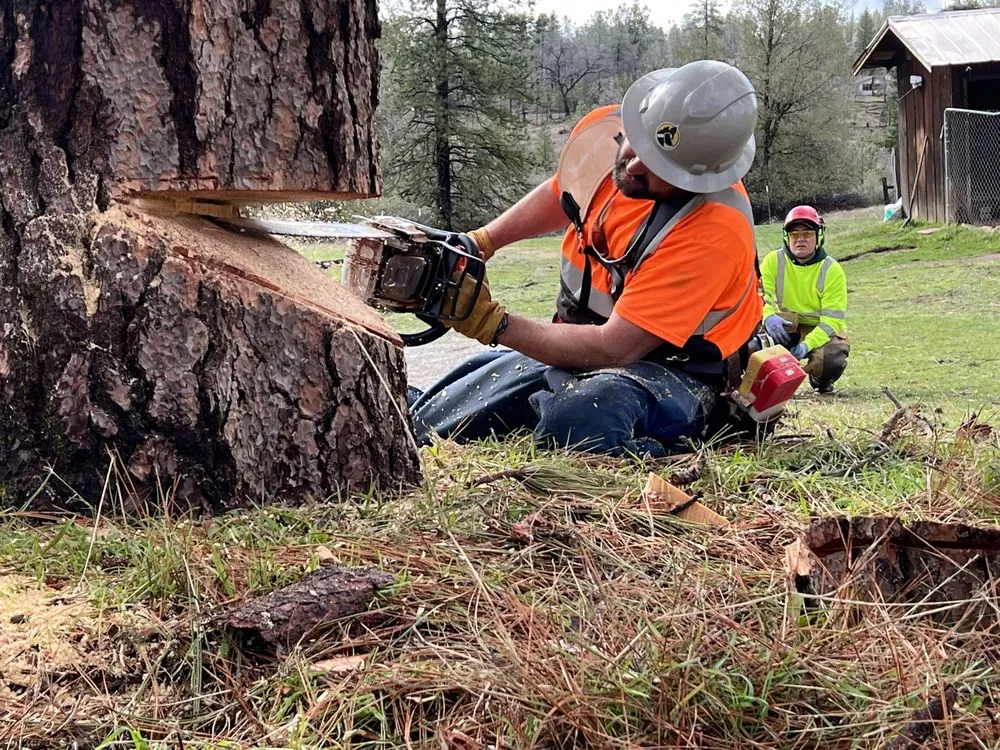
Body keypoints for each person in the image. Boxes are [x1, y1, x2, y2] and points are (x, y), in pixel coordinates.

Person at [408, 60, 762, 457]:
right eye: (639, 144)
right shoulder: (605, 135)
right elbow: (565, 191)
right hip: (579, 345)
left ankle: (663, 453)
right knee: (426, 419)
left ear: (694, 178)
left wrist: (493, 323)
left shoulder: (713, 229)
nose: (634, 165)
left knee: (583, 417)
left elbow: (615, 348)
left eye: (658, 166)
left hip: (674, 371)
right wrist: (483, 240)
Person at [759, 205, 849, 394]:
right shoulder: (772, 261)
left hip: (820, 329)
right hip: (784, 325)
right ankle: (763, 383)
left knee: (832, 358)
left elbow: (832, 321)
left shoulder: (832, 270)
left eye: (807, 233)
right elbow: (759, 297)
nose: (800, 239)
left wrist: (807, 345)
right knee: (752, 341)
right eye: (794, 234)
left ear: (818, 236)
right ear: (786, 237)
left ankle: (820, 379)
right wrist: (768, 317)